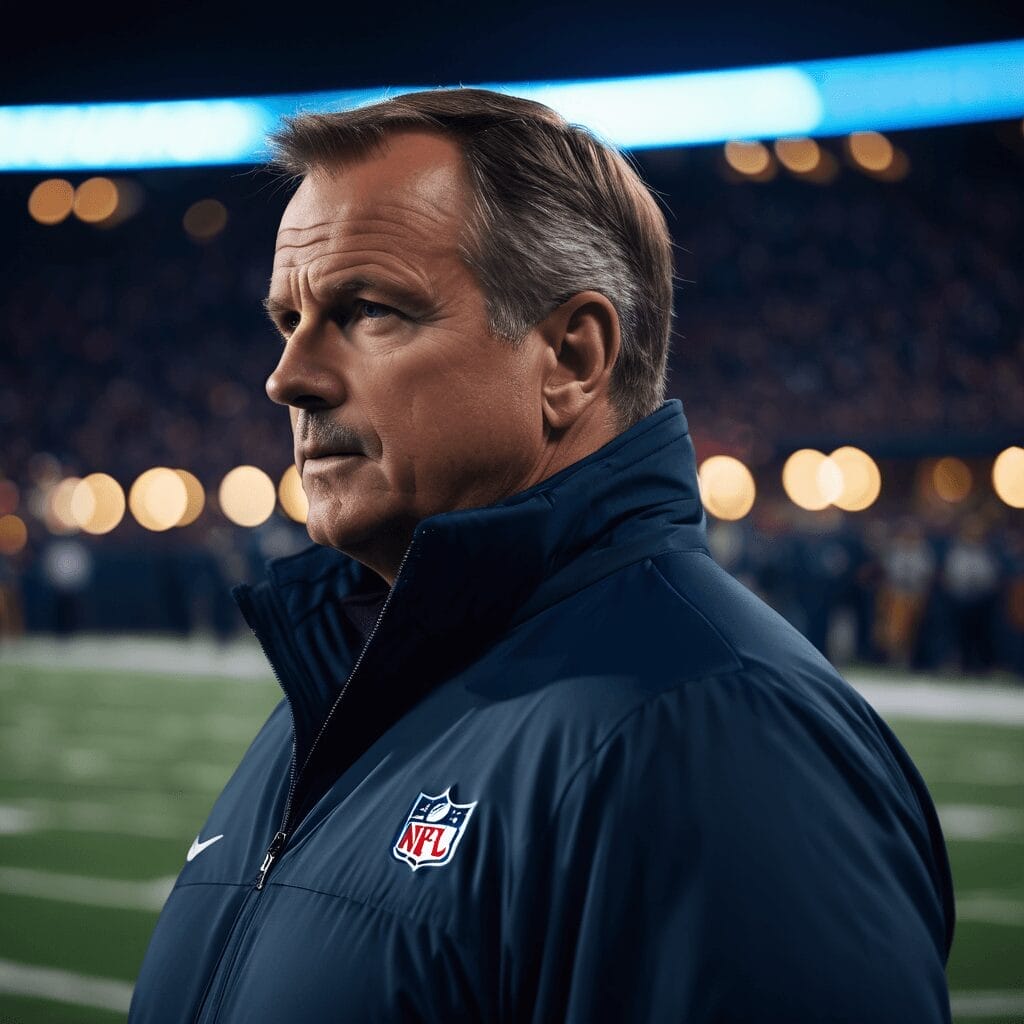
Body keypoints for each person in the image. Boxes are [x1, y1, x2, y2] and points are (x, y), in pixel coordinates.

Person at [129, 88, 954, 1023]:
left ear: (569, 358)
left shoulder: (711, 735)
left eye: (367, 310)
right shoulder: (336, 694)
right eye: (289, 321)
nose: (290, 376)